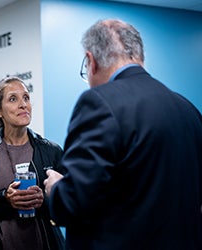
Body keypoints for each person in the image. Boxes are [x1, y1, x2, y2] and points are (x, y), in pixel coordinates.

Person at [44, 19, 202, 250]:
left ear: (91, 61)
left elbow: (73, 203)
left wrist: (56, 188)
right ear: (139, 55)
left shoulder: (99, 102)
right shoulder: (187, 109)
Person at [0, 76, 66, 250]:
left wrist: (43, 202)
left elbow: (69, 207)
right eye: (13, 99)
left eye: (26, 97)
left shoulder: (51, 151)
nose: (23, 104)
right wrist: (4, 200)